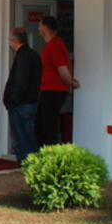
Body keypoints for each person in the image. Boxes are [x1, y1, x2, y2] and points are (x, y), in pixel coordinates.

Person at [36, 16, 80, 147]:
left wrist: (71, 84)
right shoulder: (51, 45)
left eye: (39, 25)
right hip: (49, 90)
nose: (38, 28)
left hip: (53, 90)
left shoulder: (55, 45)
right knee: (43, 124)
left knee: (48, 126)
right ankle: (46, 153)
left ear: (45, 27)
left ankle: (50, 156)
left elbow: (62, 69)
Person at [3, 28, 42, 165]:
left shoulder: (23, 56)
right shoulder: (33, 55)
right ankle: (31, 163)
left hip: (21, 104)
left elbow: (20, 81)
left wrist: (12, 100)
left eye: (9, 39)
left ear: (14, 40)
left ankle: (26, 164)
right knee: (28, 136)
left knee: (22, 137)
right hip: (29, 102)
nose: (9, 42)